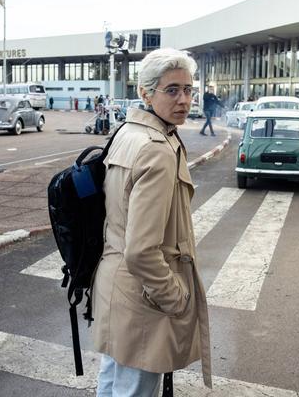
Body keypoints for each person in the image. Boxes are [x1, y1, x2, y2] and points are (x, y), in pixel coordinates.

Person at [92, 47, 212, 396]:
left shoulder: (127, 133)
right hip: (143, 299)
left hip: (117, 288)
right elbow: (143, 250)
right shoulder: (156, 149)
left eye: (188, 90)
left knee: (113, 383)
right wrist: (175, 298)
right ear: (146, 93)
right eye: (172, 90)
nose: (184, 100)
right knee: (134, 391)